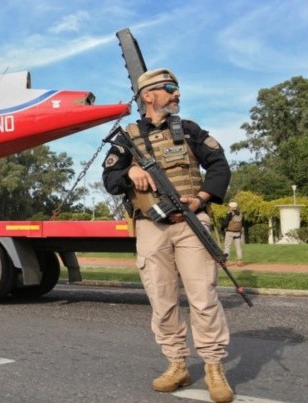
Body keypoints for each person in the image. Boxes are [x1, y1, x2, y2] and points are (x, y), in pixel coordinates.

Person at [102, 68, 234, 403]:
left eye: (177, 89)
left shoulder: (189, 130)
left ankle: (213, 367)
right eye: (170, 88)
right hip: (152, 227)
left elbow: (219, 166)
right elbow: (110, 179)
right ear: (149, 95)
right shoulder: (128, 136)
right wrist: (130, 171)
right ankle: (177, 364)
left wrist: (202, 198)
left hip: (192, 222)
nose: (177, 94)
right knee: (162, 301)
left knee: (203, 298)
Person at [222, 202, 244, 266]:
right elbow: (243, 224)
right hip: (237, 232)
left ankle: (226, 261)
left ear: (231, 207)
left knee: (227, 246)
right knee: (238, 247)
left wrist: (222, 228)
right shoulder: (241, 214)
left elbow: (225, 223)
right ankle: (239, 261)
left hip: (230, 232)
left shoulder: (230, 213)